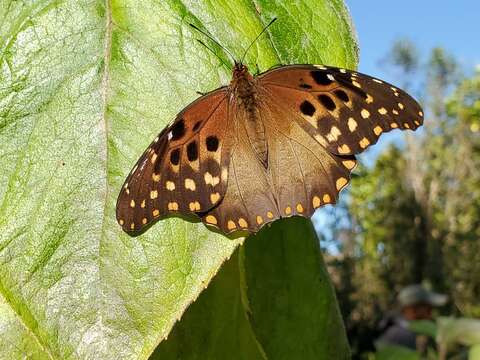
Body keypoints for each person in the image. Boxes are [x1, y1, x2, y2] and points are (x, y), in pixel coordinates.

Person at [375, 284, 447, 353]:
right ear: (413, 310)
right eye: (428, 309)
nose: (430, 315)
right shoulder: (402, 335)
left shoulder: (395, 329)